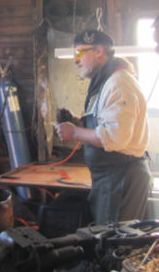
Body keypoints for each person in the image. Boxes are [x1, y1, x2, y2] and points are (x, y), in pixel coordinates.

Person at [55, 29, 152, 224]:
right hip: (110, 177)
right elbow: (103, 124)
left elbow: (114, 137)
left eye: (79, 53)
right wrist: (76, 120)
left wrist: (74, 132)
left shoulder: (118, 84)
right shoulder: (105, 83)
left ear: (99, 51)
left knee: (116, 245)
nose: (75, 60)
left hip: (121, 177)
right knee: (106, 238)